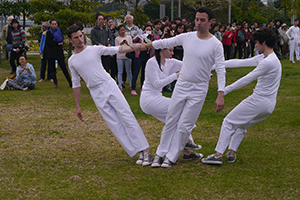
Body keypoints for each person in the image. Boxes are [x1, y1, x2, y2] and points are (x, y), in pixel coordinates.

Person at [143, 7, 225, 168]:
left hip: (199, 89)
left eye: (202, 20)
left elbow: (221, 69)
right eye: (196, 19)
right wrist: (146, 45)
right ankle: (160, 153)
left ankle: (171, 156)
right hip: (182, 86)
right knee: (171, 120)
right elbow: (167, 42)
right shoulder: (188, 37)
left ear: (210, 22)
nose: (198, 23)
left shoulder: (216, 44)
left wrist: (220, 93)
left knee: (185, 125)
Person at [66, 25, 152, 166]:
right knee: (114, 123)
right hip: (95, 92)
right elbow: (76, 83)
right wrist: (77, 106)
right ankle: (137, 151)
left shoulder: (94, 49)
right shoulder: (72, 61)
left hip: (108, 85)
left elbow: (115, 49)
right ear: (70, 40)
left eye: (81, 36)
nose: (80, 39)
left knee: (126, 115)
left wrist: (134, 47)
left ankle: (146, 151)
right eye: (76, 37)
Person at [202, 28, 282, 165]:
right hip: (268, 106)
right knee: (241, 125)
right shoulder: (267, 58)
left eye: (256, 43)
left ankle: (218, 155)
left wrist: (224, 91)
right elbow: (239, 62)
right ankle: (231, 153)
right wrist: (213, 66)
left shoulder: (268, 62)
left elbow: (246, 79)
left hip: (259, 101)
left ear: (264, 42)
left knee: (228, 122)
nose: (255, 46)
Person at [140, 47, 203, 167]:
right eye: (170, 50)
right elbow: (157, 84)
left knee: (175, 121)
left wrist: (206, 65)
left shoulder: (171, 62)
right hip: (149, 100)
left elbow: (190, 65)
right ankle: (187, 141)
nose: (172, 53)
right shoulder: (151, 62)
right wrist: (175, 75)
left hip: (157, 98)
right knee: (182, 109)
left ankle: (187, 152)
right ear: (161, 50)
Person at [45, 19, 72, 88]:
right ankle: (55, 83)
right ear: (50, 25)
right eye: (52, 24)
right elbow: (49, 43)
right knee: (52, 68)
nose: (54, 25)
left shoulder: (59, 31)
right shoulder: (48, 33)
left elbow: (61, 40)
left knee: (63, 67)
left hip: (59, 52)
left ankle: (70, 82)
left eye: (55, 24)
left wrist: (59, 44)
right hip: (51, 52)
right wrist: (57, 43)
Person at [131, 25, 155, 95]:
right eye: (147, 29)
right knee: (136, 72)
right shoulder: (141, 36)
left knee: (144, 73)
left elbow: (154, 43)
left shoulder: (151, 37)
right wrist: (141, 34)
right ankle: (133, 88)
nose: (148, 31)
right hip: (139, 56)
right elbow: (134, 40)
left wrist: (152, 35)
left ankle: (142, 87)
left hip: (147, 57)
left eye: (149, 30)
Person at [115, 25, 133, 92]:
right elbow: (116, 48)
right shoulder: (117, 38)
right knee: (120, 71)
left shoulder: (129, 37)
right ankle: (120, 85)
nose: (123, 31)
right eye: (121, 30)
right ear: (119, 31)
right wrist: (121, 44)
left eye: (124, 30)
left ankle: (131, 85)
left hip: (127, 56)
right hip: (120, 56)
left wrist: (127, 44)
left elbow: (131, 47)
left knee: (129, 71)